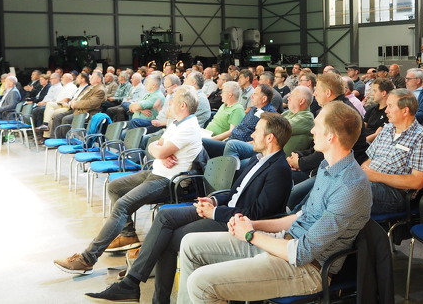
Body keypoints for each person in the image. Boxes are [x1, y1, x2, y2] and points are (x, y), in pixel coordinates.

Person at [83, 112, 294, 303]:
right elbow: (235, 192)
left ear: (270, 138)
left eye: (257, 131)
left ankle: (141, 290)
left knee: (169, 239)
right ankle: (133, 285)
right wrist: (214, 201)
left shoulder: (279, 170)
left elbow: (258, 214)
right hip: (223, 210)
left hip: (234, 223)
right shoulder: (258, 159)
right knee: (164, 217)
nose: (253, 134)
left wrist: (216, 212)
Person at [176, 101, 371, 303]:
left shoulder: (351, 187)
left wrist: (250, 235)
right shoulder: (326, 166)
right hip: (282, 241)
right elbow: (298, 217)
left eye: (317, 125)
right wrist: (252, 225)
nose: (312, 130)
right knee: (190, 244)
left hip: (307, 269)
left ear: (331, 137)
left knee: (201, 283)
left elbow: (302, 252)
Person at [53, 85, 203, 275]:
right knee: (115, 187)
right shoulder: (176, 123)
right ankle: (128, 235)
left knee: (123, 206)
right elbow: (153, 145)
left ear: (182, 105)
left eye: (172, 102)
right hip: (155, 172)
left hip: (168, 181)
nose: (169, 104)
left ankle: (87, 258)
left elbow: (160, 148)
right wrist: (160, 152)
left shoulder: (189, 127)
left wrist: (160, 151)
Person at [361, 88, 423, 213]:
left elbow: (417, 181)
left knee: (347, 190)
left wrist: (376, 176)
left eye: (390, 106)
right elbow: (368, 161)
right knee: (328, 181)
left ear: (405, 110)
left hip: (394, 194)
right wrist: (362, 174)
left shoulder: (422, 137)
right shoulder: (387, 129)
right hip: (370, 183)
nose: (386, 110)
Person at [363, 78, 393, 143]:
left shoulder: (390, 113)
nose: (372, 94)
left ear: (383, 93)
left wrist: (361, 144)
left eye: (375, 91)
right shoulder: (371, 109)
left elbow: (377, 135)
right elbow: (361, 127)